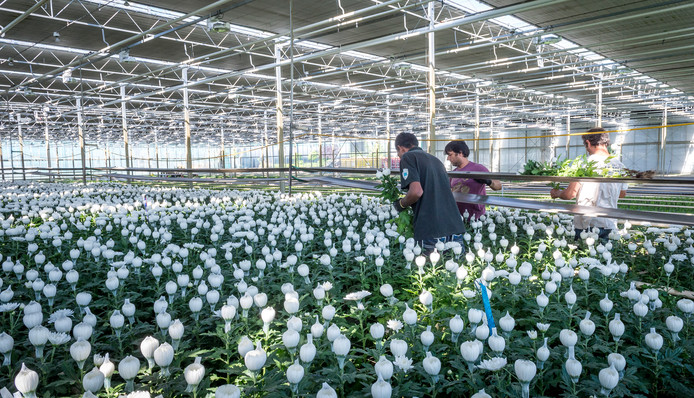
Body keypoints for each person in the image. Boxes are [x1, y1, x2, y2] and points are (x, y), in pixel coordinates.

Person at [391, 133, 466, 254]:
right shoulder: (435, 160)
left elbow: (416, 192)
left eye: (398, 153)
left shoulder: (408, 157)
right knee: (454, 268)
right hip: (454, 226)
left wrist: (401, 204)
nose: (399, 156)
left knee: (430, 270)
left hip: (431, 228)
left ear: (401, 148)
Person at [550, 128, 627, 242]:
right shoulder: (620, 166)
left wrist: (557, 193)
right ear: (606, 143)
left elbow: (570, 194)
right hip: (609, 224)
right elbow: (622, 194)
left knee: (584, 256)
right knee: (605, 258)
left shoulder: (584, 164)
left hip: (587, 224)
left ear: (588, 143)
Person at [445, 140, 502, 221]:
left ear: (460, 153)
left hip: (475, 217)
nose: (448, 158)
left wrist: (488, 181)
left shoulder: (478, 168)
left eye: (450, 155)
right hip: (457, 216)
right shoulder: (454, 173)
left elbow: (498, 186)